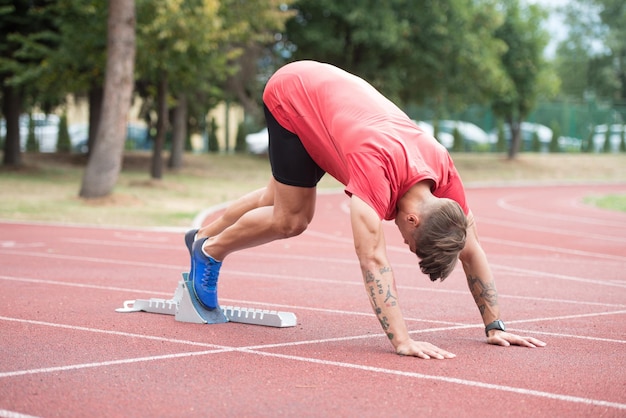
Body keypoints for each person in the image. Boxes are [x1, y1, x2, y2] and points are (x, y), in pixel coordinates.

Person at [185, 60, 546, 359]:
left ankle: (200, 234)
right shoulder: (376, 173)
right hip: (294, 94)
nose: (404, 244)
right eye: (411, 243)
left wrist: (495, 325)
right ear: (412, 219)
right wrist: (402, 340)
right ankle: (209, 251)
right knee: (291, 219)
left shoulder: (443, 175)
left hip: (334, 100)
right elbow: (373, 260)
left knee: (277, 196)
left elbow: (472, 249)